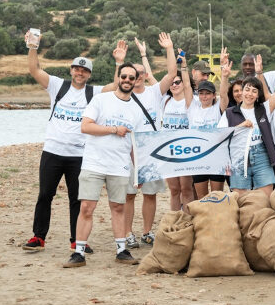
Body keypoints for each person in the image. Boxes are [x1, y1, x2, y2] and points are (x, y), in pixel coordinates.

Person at [22, 30, 105, 253]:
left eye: (84, 70)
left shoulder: (94, 92)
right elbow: (34, 69)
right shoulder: (58, 85)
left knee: (77, 199)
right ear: (71, 70)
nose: (80, 73)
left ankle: (76, 240)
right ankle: (38, 237)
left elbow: (116, 87)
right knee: (44, 195)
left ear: (89, 74)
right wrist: (33, 46)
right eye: (77, 69)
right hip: (52, 151)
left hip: (79, 155)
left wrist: (118, 63)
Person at [64, 64, 149, 268]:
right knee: (86, 207)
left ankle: (121, 250)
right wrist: (113, 129)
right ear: (118, 78)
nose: (127, 80)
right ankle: (79, 253)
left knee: (118, 207)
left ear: (136, 80)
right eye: (124, 76)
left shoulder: (137, 110)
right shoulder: (101, 99)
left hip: (119, 166)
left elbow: (134, 145)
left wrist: (139, 172)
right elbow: (85, 126)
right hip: (94, 163)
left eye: (131, 77)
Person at [109, 35, 176, 247]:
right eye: (132, 74)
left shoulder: (154, 92)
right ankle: (128, 233)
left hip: (152, 151)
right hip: (128, 150)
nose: (136, 77)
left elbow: (172, 74)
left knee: (150, 194)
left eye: (139, 73)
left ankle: (147, 232)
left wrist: (169, 48)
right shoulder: (121, 96)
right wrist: (119, 62)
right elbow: (114, 85)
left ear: (145, 74)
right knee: (129, 195)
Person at [218, 50, 275, 195]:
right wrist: (240, 126)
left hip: (261, 156)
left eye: (254, 91)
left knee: (265, 199)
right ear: (242, 91)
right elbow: (220, 135)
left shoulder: (264, 109)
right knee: (241, 200)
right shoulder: (230, 112)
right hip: (238, 158)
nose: (250, 94)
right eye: (247, 89)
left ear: (258, 95)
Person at [188, 59, 231, 197]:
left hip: (216, 157)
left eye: (207, 93)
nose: (204, 96)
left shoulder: (218, 108)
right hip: (198, 157)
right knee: (202, 198)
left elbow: (224, 94)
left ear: (213, 95)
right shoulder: (193, 108)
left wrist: (224, 76)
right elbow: (186, 88)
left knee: (216, 196)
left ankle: (217, 219)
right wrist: (183, 65)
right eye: (201, 93)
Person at [162, 54, 195, 209]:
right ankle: (174, 220)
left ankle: (188, 221)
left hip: (186, 150)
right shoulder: (165, 101)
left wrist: (184, 66)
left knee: (186, 188)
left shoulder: (189, 101)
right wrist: (144, 56)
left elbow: (189, 86)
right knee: (174, 190)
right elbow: (152, 81)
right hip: (168, 151)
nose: (174, 85)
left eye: (177, 82)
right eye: (172, 83)